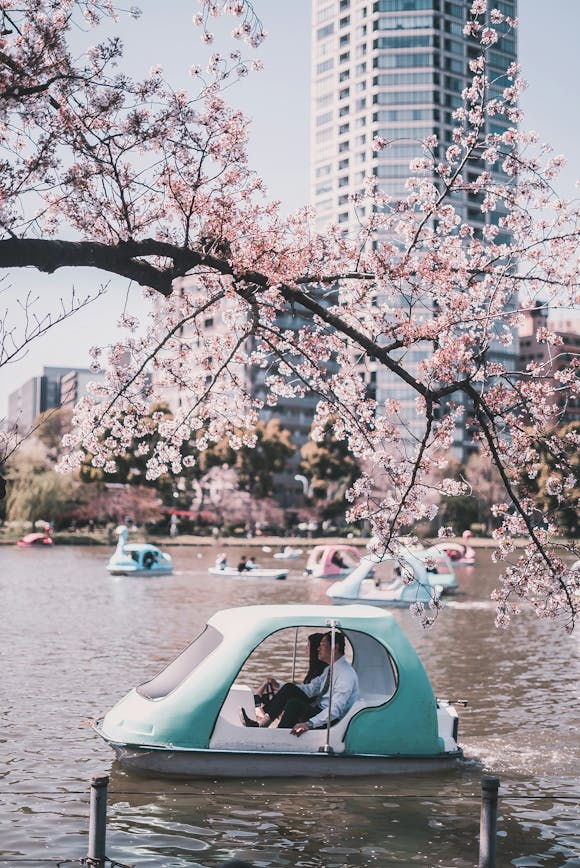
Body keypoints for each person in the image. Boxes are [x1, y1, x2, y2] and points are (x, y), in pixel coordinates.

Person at [240, 631, 359, 737]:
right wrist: (279, 686)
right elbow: (310, 689)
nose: (318, 649)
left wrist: (309, 724)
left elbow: (335, 710)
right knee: (289, 688)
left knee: (294, 704)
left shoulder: (346, 675)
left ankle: (278, 738)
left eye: (322, 645)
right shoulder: (329, 670)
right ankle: (262, 724)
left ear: (335, 647)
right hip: (319, 709)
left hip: (331, 720)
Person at [253, 633, 325, 708]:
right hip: (305, 699)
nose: (306, 648)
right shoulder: (315, 669)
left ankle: (260, 708)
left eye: (308, 645)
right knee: (270, 687)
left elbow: (310, 691)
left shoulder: (322, 671)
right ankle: (257, 703)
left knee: (279, 692)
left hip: (308, 704)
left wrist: (281, 686)